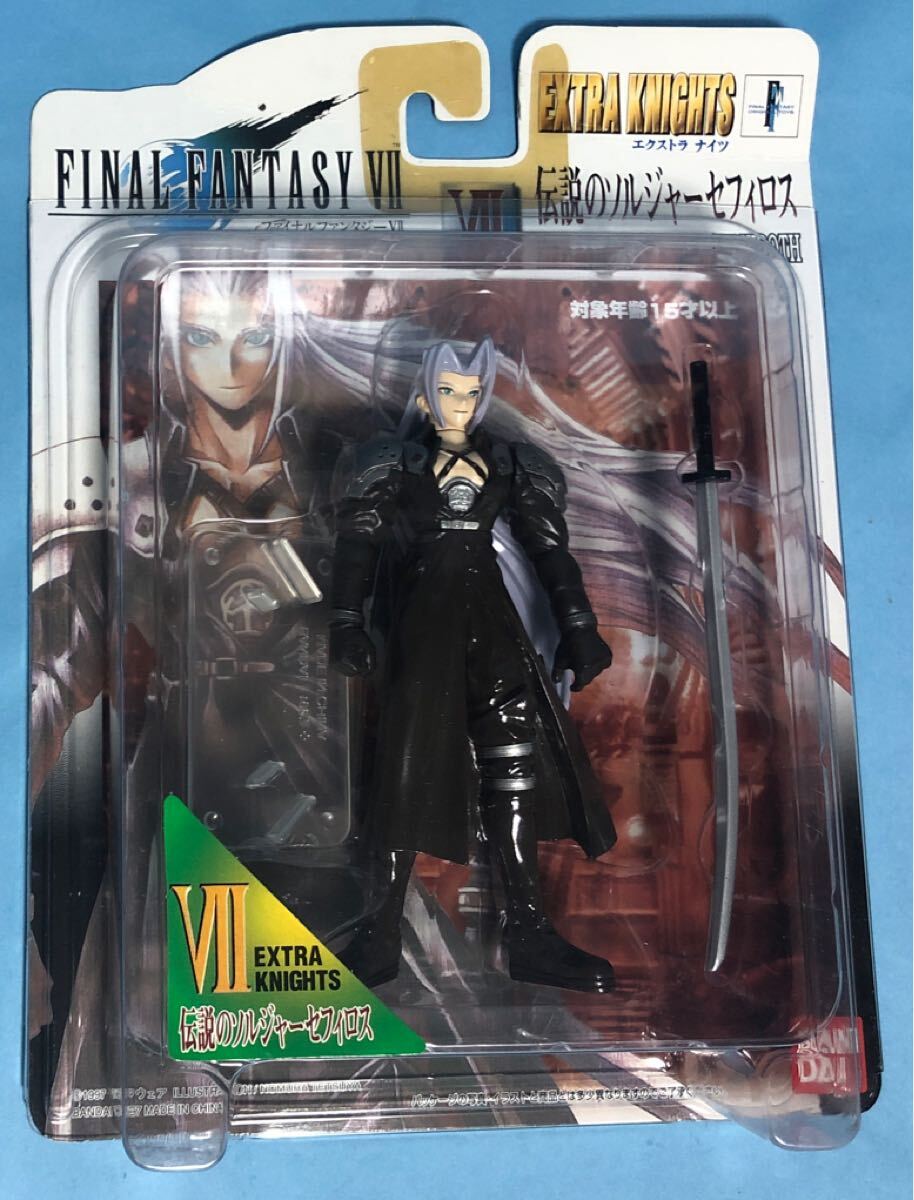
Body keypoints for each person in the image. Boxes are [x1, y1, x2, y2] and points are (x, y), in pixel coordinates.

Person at [329, 337, 618, 993]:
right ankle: (381, 933)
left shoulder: (511, 463)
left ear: (484, 396)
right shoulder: (394, 463)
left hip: (492, 620)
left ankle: (529, 934)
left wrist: (579, 628)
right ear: (425, 394)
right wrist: (346, 622)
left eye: (471, 392)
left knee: (513, 765)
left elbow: (551, 552)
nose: (459, 404)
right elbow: (358, 546)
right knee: (406, 769)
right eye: (447, 390)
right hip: (424, 624)